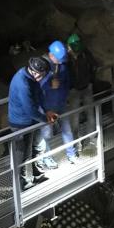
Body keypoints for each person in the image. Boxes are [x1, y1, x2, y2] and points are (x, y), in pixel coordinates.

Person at [8, 57, 57, 191]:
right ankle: (18, 185)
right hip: (19, 124)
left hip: (29, 122)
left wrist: (47, 111)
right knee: (21, 154)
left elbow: (39, 95)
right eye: (42, 75)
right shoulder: (23, 83)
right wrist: (45, 119)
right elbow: (29, 109)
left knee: (28, 152)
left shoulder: (31, 77)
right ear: (35, 72)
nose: (43, 78)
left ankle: (33, 177)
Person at [39, 40, 78, 168]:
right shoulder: (41, 67)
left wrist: (64, 94)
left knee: (67, 130)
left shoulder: (62, 66)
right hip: (46, 107)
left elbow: (67, 82)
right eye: (60, 59)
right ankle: (47, 158)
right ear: (52, 55)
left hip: (61, 104)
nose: (61, 62)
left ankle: (71, 154)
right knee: (46, 134)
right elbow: (36, 87)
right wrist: (49, 85)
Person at [66, 33, 98, 151]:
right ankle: (77, 142)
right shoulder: (69, 58)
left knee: (87, 115)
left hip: (83, 89)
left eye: (69, 46)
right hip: (75, 90)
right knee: (75, 118)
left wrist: (90, 81)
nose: (68, 48)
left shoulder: (83, 54)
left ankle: (90, 139)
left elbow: (94, 66)